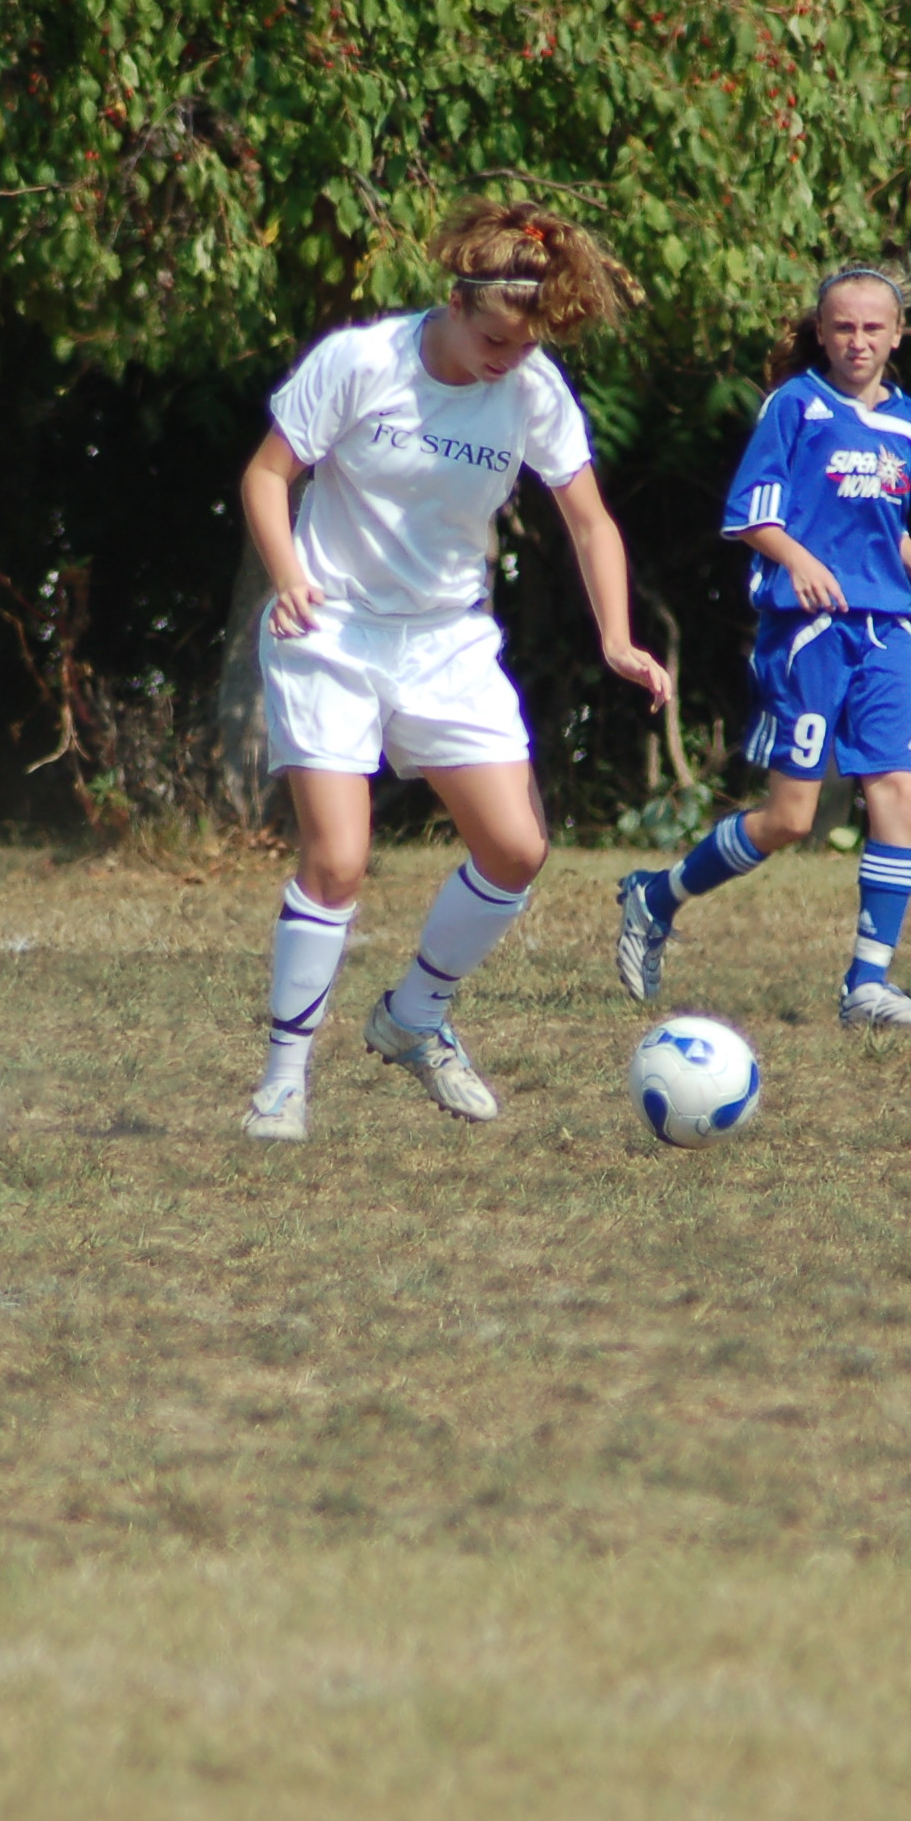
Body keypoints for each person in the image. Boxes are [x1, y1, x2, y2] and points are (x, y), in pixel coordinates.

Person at [234, 200, 673, 1143]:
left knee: (516, 848)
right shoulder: (362, 362)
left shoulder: (533, 389)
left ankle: (414, 1017)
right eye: (495, 339)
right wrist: (289, 575)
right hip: (332, 630)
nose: (509, 360)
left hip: (446, 640)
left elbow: (590, 520)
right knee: (338, 860)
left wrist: (617, 637)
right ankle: (281, 1083)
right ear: (457, 299)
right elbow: (267, 477)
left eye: (527, 344)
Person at [613, 262, 911, 1027]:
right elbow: (749, 515)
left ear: (898, 334)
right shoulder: (795, 405)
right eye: (844, 327)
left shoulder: (909, 421)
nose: (859, 340)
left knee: (899, 791)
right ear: (822, 332)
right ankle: (656, 896)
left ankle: (867, 985)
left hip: (886, 628)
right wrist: (797, 561)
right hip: (808, 633)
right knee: (792, 818)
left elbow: (883, 522)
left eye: (874, 327)